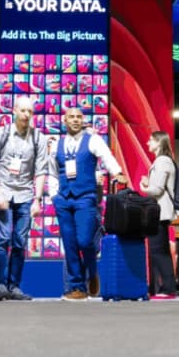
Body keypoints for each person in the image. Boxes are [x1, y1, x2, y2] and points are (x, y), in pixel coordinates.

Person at [49, 107, 127, 300]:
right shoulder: (56, 145)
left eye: (78, 117)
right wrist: (54, 196)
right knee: (70, 244)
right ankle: (77, 287)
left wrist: (116, 172)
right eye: (71, 117)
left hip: (85, 197)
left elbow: (106, 156)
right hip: (63, 200)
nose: (75, 120)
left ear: (82, 120)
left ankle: (92, 272)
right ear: (65, 120)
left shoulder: (92, 140)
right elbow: (52, 171)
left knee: (85, 241)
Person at [0, 95, 47, 300]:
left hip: (25, 195)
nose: (26, 115)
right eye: (23, 111)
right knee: (3, 239)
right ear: (14, 110)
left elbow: (40, 171)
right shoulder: (1, 134)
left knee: (20, 242)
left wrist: (37, 199)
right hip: (4, 191)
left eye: (30, 112)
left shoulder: (38, 138)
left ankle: (14, 286)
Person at [139, 131, 177, 299]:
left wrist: (144, 186)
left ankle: (168, 288)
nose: (147, 143)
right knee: (161, 250)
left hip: (160, 211)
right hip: (161, 210)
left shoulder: (162, 161)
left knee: (158, 250)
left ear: (159, 143)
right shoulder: (162, 161)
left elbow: (157, 189)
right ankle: (167, 286)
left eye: (150, 140)